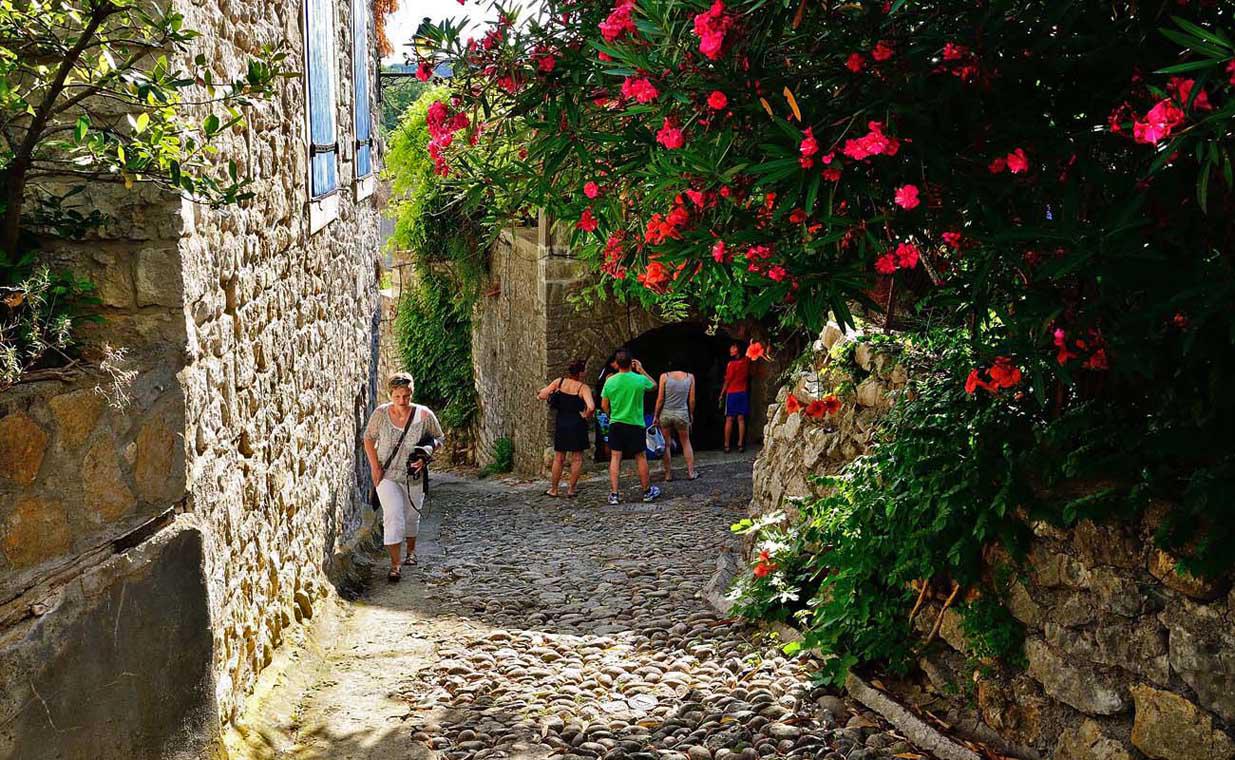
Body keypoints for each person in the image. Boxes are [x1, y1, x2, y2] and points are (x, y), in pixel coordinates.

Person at [363, 372, 445, 582]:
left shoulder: (424, 415)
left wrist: (426, 455)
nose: (402, 401)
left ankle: (411, 552)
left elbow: (439, 438)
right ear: (390, 394)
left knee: (411, 517)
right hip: (387, 474)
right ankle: (395, 565)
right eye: (397, 396)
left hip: (413, 476)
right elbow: (368, 438)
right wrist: (374, 467)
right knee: (393, 516)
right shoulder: (380, 414)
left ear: (411, 393)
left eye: (406, 396)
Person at [600, 349, 661, 504]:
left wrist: (610, 415)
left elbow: (604, 405)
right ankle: (647, 492)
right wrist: (641, 370)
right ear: (631, 363)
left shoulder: (610, 381)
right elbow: (654, 386)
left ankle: (614, 494)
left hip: (617, 423)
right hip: (635, 424)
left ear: (617, 364)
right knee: (640, 457)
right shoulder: (639, 380)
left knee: (615, 457)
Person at [537, 359, 595, 498]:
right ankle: (571, 489)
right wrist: (586, 415)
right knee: (577, 458)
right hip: (577, 424)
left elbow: (542, 395)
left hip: (562, 422)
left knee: (559, 458)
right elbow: (591, 406)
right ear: (581, 372)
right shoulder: (583, 388)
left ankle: (554, 489)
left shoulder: (559, 382)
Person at [654, 359, 698, 482]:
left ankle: (668, 474)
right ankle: (690, 472)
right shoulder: (690, 377)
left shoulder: (664, 376)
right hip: (682, 413)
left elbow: (660, 399)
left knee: (666, 444)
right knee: (686, 442)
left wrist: (656, 415)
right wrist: (691, 414)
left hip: (666, 413)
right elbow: (692, 400)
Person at [720, 342, 751, 453]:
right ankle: (740, 444)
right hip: (743, 392)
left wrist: (722, 394)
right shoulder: (746, 362)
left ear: (738, 349)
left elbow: (727, 380)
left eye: (733, 347)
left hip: (732, 393)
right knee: (741, 419)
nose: (731, 349)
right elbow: (750, 352)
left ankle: (726, 444)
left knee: (729, 419)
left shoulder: (731, 365)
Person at [594, 353, 619, 462]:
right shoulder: (610, 375)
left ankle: (610, 461)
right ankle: (610, 461)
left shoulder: (603, 373)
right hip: (607, 411)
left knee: (607, 438)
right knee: (609, 439)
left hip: (602, 410)